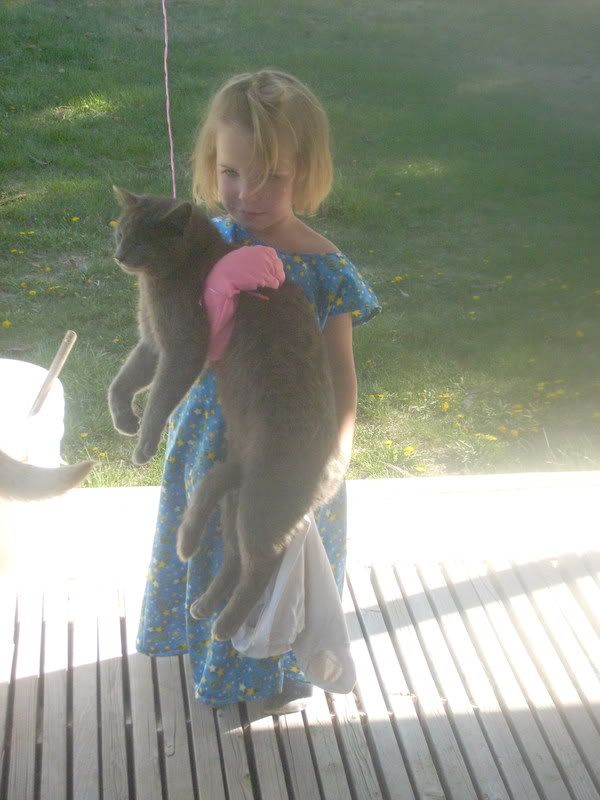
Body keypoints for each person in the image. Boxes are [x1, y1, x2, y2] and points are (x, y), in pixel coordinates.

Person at [137, 69, 380, 713]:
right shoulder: (205, 242)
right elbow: (176, 322)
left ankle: (272, 673)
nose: (248, 194)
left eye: (272, 176)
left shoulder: (325, 267)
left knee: (270, 556)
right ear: (210, 164)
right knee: (212, 545)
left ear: (308, 171)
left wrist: (339, 450)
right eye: (230, 173)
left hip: (289, 447)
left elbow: (339, 369)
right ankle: (211, 658)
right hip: (211, 431)